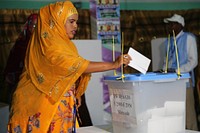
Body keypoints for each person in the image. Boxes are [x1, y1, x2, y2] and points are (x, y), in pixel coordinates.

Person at [7, 1, 131, 132]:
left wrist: (76, 92)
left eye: (76, 22)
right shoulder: (49, 46)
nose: (75, 26)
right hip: (43, 110)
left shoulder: (66, 45)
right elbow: (75, 65)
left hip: (62, 110)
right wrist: (113, 64)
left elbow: (72, 71)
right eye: (71, 21)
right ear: (56, 22)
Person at [163, 14, 198, 130]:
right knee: (176, 113)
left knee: (188, 114)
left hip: (184, 81)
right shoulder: (169, 41)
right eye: (168, 24)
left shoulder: (188, 38)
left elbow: (193, 61)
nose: (168, 27)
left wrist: (177, 70)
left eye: (171, 24)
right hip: (171, 81)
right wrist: (164, 71)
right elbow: (167, 61)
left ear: (180, 25)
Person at [3, 13, 38, 106]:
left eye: (38, 26)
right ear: (28, 26)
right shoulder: (20, 44)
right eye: (33, 25)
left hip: (37, 86)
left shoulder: (44, 45)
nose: (35, 29)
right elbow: (12, 63)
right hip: (19, 83)